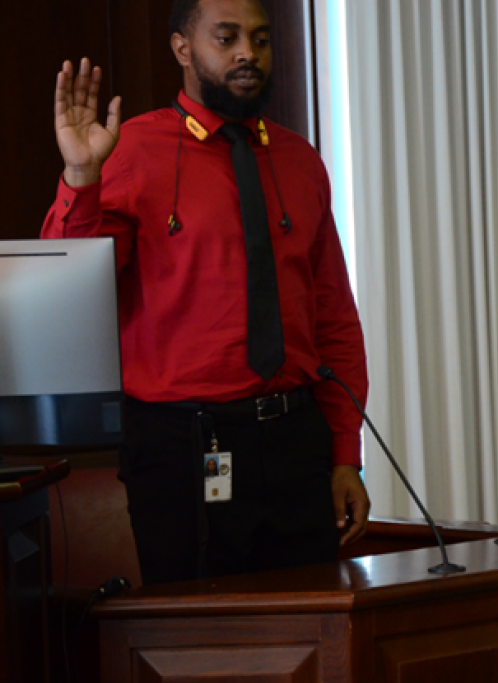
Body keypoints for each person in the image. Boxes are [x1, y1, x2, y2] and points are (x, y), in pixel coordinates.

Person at [41, 0, 370, 584]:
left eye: (262, 39)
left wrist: (347, 455)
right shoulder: (130, 152)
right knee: (197, 646)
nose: (249, 53)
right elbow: (67, 293)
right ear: (183, 49)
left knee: (310, 636)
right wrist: (81, 178)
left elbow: (336, 321)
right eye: (228, 37)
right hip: (180, 446)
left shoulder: (300, 159)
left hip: (296, 443)